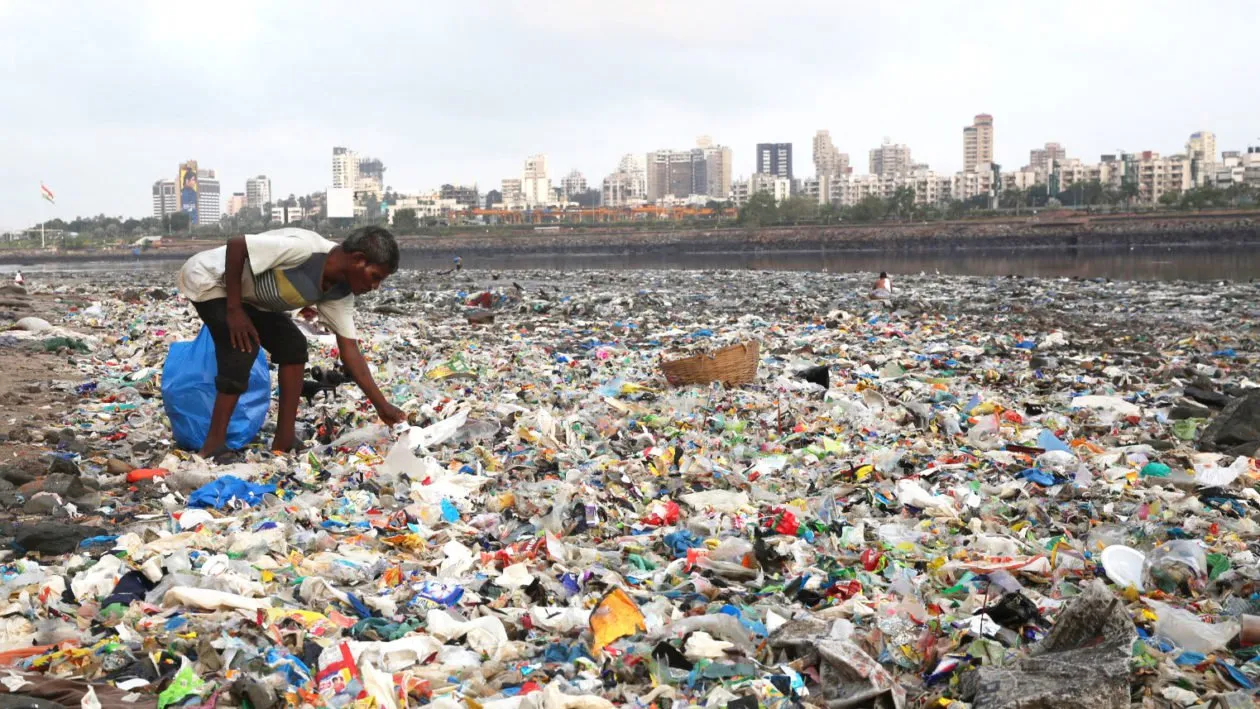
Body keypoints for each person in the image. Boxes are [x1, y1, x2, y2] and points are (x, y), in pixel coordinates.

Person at [176, 226, 406, 457]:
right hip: (210, 279)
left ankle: (284, 438)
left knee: (293, 346)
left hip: (249, 298)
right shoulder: (304, 250)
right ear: (358, 259)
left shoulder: (339, 292)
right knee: (241, 348)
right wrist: (234, 310)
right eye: (375, 277)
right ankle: (213, 444)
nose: (375, 287)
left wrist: (382, 406)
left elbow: (350, 352)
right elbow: (237, 245)